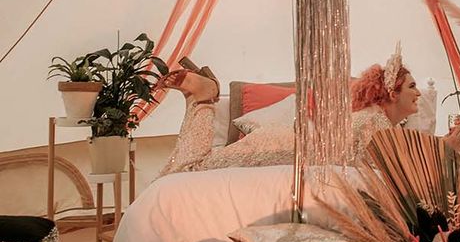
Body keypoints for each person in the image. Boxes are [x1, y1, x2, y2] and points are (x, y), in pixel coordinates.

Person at [155, 48, 429, 176]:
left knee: (187, 168)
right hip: (281, 147)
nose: (418, 93)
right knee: (193, 169)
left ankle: (201, 98)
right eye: (412, 86)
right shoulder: (373, 121)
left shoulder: (376, 121)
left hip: (285, 145)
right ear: (392, 92)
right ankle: (205, 97)